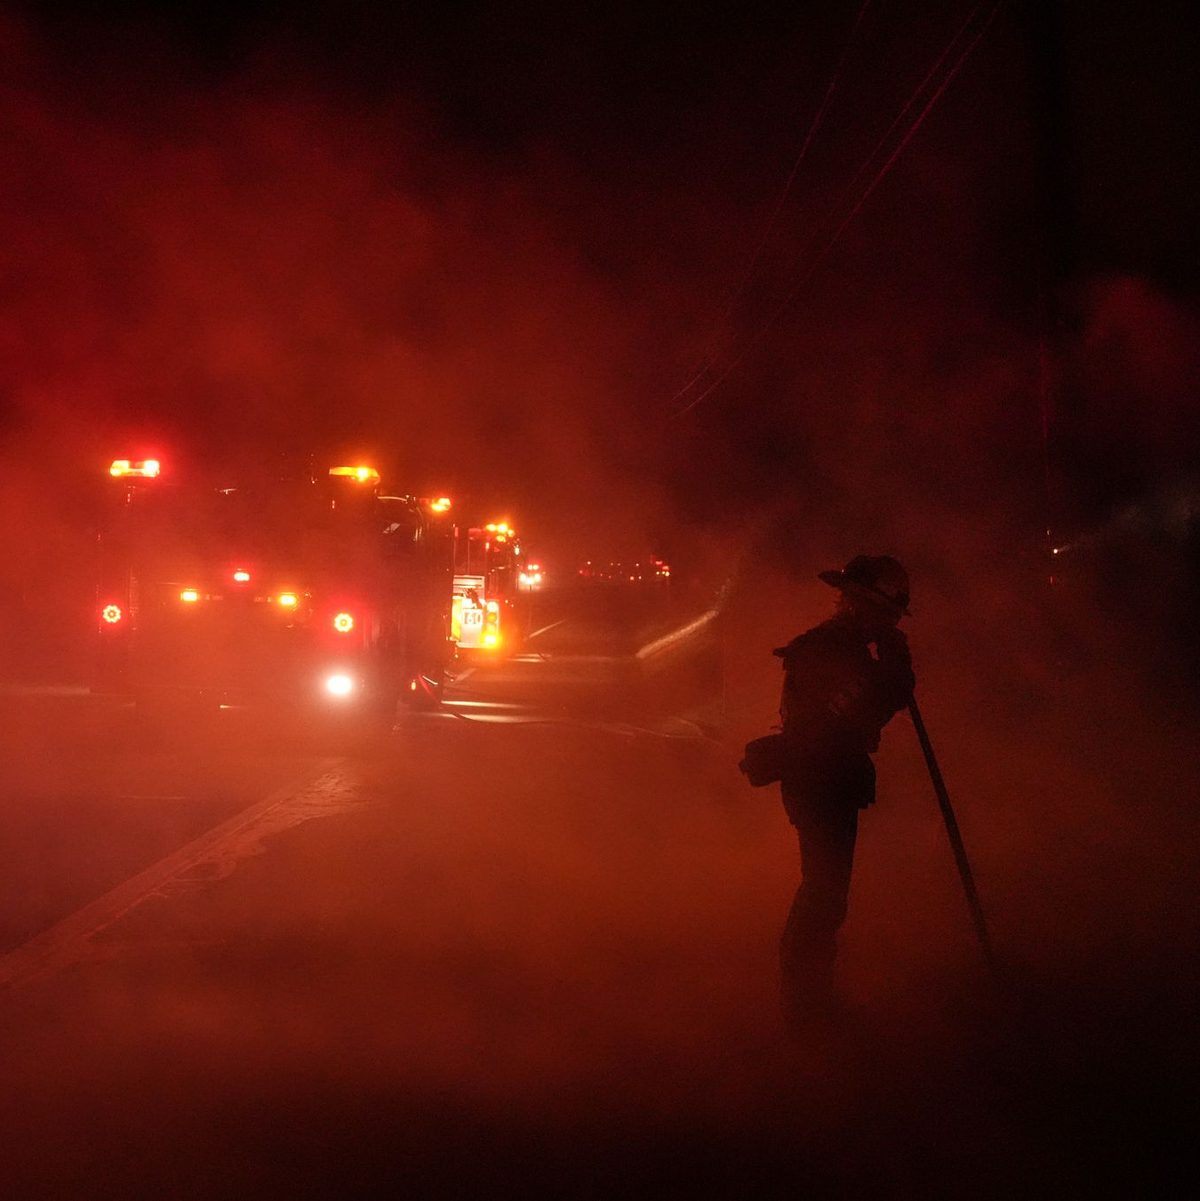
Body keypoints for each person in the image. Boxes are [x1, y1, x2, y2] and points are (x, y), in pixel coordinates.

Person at [774, 555, 915, 1025]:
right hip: (818, 779)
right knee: (824, 889)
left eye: (893, 615)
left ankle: (811, 992)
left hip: (830, 776)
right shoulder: (828, 652)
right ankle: (804, 1000)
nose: (889, 622)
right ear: (855, 605)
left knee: (828, 888)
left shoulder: (844, 649)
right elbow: (864, 707)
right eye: (884, 612)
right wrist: (894, 672)